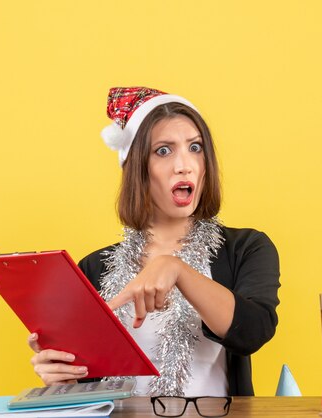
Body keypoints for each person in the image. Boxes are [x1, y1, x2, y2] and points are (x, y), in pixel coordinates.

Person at [28, 87, 280, 396]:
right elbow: (88, 384)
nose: (184, 165)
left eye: (195, 147)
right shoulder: (93, 268)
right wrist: (61, 375)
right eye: (164, 150)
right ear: (137, 169)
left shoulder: (245, 248)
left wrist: (175, 269)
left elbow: (254, 331)